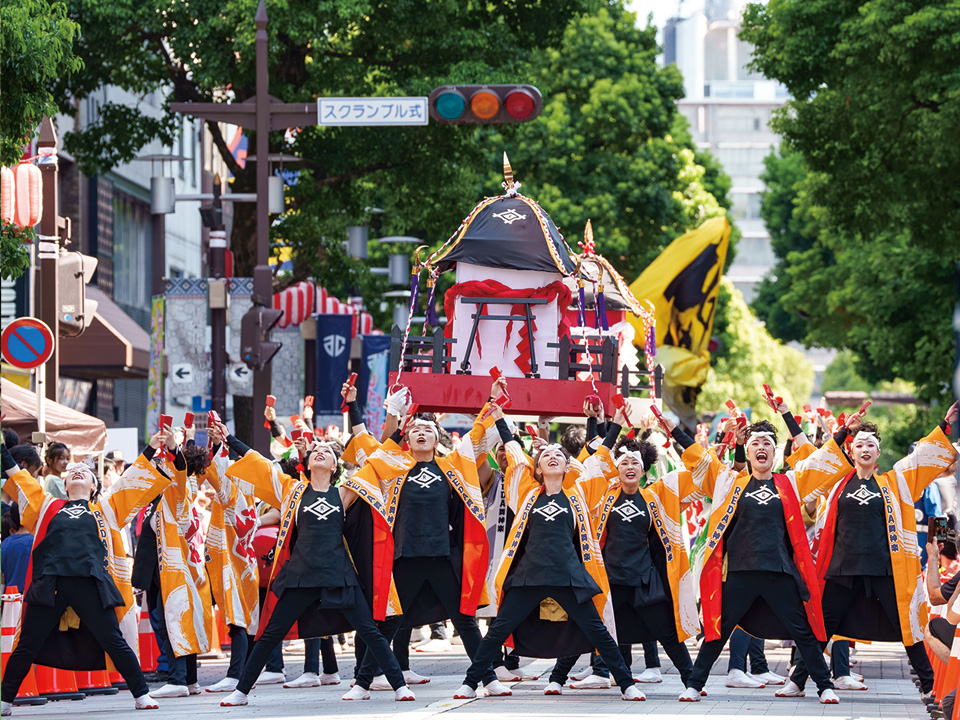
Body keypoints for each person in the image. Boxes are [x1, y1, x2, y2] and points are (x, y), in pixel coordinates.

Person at [672, 396, 860, 704]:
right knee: (716, 632)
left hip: (778, 570)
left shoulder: (789, 483)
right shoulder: (731, 483)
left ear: (774, 453)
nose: (761, 448)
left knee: (803, 631)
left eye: (767, 444)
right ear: (748, 451)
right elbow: (701, 460)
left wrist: (843, 434)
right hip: (740, 572)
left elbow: (820, 461)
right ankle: (694, 685)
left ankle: (824, 686)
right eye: (756, 443)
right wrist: (674, 431)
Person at [451, 403, 644, 701]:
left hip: (569, 576)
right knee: (497, 632)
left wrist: (613, 424)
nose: (553, 456)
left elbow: (598, 461)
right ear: (538, 468)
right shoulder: (526, 493)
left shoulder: (578, 494)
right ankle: (470, 682)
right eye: (546, 455)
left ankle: (627, 684)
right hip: (530, 575)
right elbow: (514, 453)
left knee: (598, 632)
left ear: (568, 467)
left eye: (559, 454)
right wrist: (501, 417)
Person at [218, 416, 415, 706]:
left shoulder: (344, 493)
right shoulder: (292, 491)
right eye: (316, 450)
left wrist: (400, 433)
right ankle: (241, 692)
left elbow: (376, 465)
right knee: (271, 633)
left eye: (328, 451)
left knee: (370, 631)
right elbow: (259, 465)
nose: (321, 451)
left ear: (335, 467)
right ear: (308, 464)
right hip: (301, 574)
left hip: (340, 575)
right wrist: (229, 439)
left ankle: (399, 687)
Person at [342, 380, 512, 697]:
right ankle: (363, 683)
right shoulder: (394, 466)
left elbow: (476, 436)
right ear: (407, 439)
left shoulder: (451, 467)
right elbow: (364, 443)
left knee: (465, 622)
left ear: (437, 439)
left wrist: (491, 400)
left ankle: (489, 679)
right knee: (389, 623)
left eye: (428, 430)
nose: (421, 433)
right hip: (404, 557)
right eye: (416, 430)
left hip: (441, 556)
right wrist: (353, 404)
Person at [787, 403, 960, 701]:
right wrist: (839, 432)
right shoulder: (836, 482)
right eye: (860, 445)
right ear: (851, 451)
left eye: (872, 445)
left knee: (905, 624)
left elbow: (922, 460)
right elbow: (813, 463)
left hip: (884, 566)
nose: (865, 449)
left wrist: (946, 425)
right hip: (843, 565)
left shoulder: (894, 482)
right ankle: (799, 680)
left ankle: (932, 684)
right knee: (823, 626)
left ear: (879, 454)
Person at [0, 432, 173, 715]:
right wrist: (2, 448)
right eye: (73, 472)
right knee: (27, 645)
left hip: (91, 584)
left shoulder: (105, 508)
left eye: (85, 472)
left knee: (113, 640)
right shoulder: (46, 506)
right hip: (50, 583)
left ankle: (141, 694)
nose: (78, 472)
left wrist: (151, 448)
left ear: (94, 486)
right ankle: (5, 701)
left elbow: (131, 481)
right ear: (65, 484)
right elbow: (18, 478)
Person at [547, 419, 698, 694]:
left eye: (635, 463)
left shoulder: (658, 495)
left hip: (643, 581)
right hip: (610, 579)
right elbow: (591, 465)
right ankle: (556, 679)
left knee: (667, 633)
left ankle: (692, 684)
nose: (629, 467)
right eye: (624, 462)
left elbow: (699, 469)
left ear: (644, 469)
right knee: (589, 627)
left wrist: (673, 432)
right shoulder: (602, 495)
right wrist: (612, 425)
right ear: (617, 468)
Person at [133, 427, 213, 699]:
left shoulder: (179, 488)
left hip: (174, 567)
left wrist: (174, 447)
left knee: (171, 622)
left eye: (164, 463)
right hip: (179, 566)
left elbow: (180, 465)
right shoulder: (186, 487)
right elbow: (182, 465)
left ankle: (178, 679)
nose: (161, 466)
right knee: (180, 620)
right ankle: (189, 679)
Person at [201, 424, 261, 694]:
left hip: (233, 564)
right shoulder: (247, 495)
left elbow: (217, 478)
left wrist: (218, 445)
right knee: (244, 617)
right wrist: (217, 445)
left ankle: (236, 673)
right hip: (242, 563)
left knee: (237, 617)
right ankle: (245, 671)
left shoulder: (233, 494)